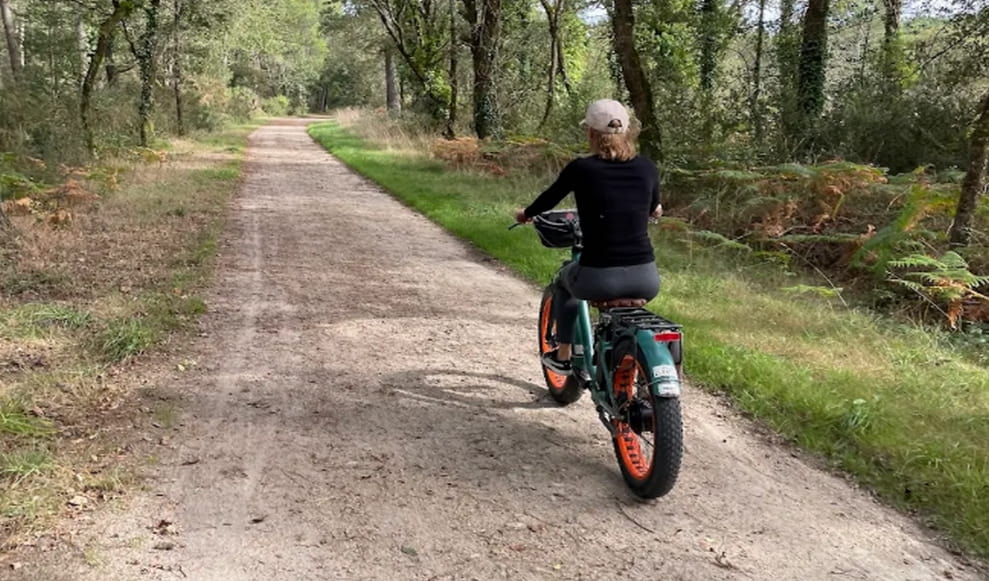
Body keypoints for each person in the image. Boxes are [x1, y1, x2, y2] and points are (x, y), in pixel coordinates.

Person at [514, 99, 662, 375]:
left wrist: (526, 214)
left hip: (598, 277)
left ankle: (564, 354)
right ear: (628, 131)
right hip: (647, 279)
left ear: (591, 134)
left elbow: (549, 199)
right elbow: (656, 208)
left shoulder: (581, 169)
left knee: (564, 281)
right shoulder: (647, 168)